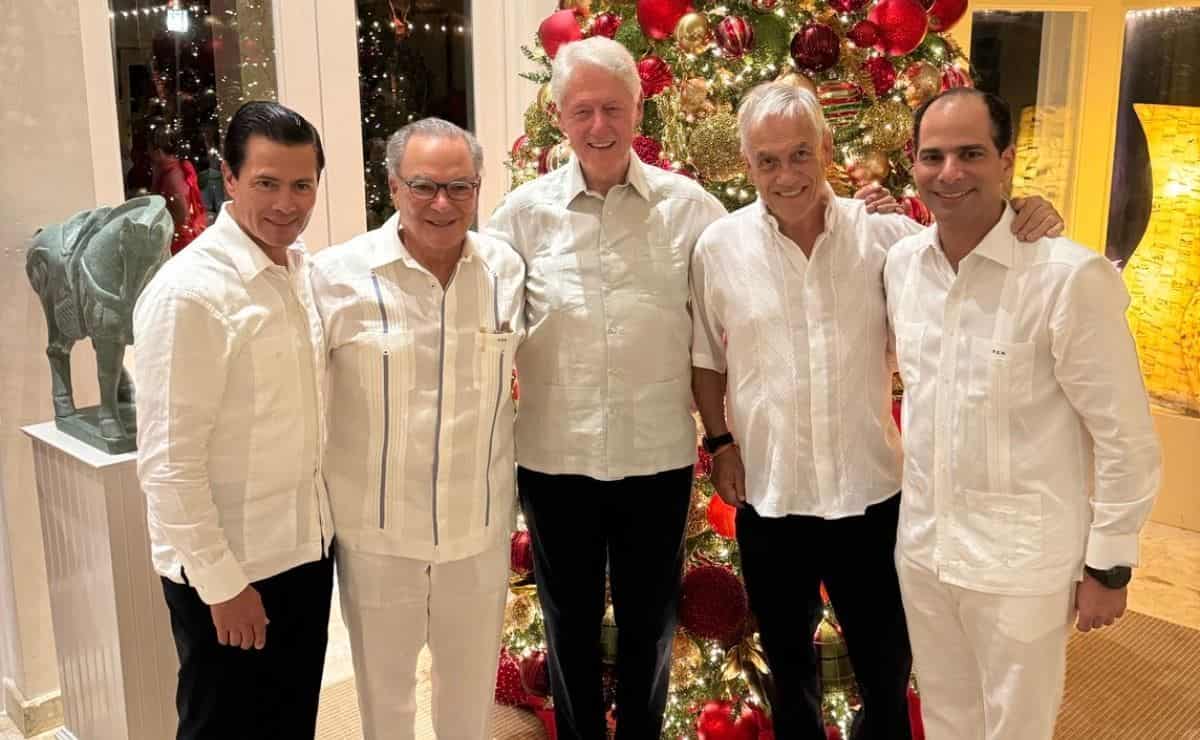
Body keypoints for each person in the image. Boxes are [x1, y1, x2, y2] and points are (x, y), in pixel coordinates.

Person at [690, 81, 1064, 740]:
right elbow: (706, 359)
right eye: (768, 160)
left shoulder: (888, 236)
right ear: (747, 164)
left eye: (800, 154)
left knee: (886, 672)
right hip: (771, 500)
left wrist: (1025, 213)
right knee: (789, 676)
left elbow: (969, 258)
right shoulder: (718, 248)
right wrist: (720, 443)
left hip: (872, 498)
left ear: (825, 149)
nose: (786, 175)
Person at [884, 87, 1162, 740]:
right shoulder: (901, 266)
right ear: (914, 165)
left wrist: (1110, 563)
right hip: (925, 552)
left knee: (1016, 730)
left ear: (1007, 160)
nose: (949, 172)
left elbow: (1124, 435)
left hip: (1021, 566)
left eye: (971, 153)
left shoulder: (1067, 277)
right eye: (933, 156)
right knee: (946, 720)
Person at [484, 36, 729, 739]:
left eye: (613, 108)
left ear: (638, 110)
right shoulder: (521, 216)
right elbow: (477, 317)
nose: (599, 126)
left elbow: (736, 309)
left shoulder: (692, 210)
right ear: (558, 116)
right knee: (569, 624)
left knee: (653, 623)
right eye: (582, 110)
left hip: (656, 457)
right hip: (555, 460)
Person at [310, 118, 524, 740]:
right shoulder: (335, 276)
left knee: (468, 707)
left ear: (478, 189)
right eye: (424, 185)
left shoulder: (505, 272)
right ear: (393, 186)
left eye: (460, 188)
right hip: (378, 537)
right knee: (385, 706)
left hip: (477, 534)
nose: (442, 204)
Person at [133, 100, 334, 740]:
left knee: (289, 724)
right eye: (267, 183)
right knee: (222, 727)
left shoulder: (300, 271)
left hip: (304, 553)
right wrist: (222, 584)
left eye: (302, 185)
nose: (286, 204)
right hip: (232, 569)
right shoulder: (189, 294)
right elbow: (168, 465)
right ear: (228, 176)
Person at [149, 125, 208, 253]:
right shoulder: (174, 169)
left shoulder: (172, 177)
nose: (149, 155)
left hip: (180, 245)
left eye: (150, 150)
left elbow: (183, 218)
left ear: (158, 152)